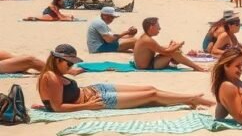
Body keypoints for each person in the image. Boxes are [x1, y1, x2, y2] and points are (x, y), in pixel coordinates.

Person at [38, 44, 212, 112]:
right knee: (150, 96)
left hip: (96, 89)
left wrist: (43, 104)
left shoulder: (56, 73)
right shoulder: (51, 77)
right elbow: (57, 107)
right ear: (58, 60)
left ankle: (187, 99)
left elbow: (51, 101)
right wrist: (87, 106)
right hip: (100, 99)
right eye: (68, 64)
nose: (70, 67)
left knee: (149, 89)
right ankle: (192, 98)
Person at [133, 17, 207, 71]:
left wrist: (171, 46)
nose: (159, 28)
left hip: (149, 63)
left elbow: (158, 48)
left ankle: (180, 61)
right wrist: (179, 45)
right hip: (148, 66)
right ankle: (196, 67)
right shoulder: (147, 40)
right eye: (158, 26)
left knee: (172, 48)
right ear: (151, 27)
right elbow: (166, 52)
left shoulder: (145, 37)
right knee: (174, 52)